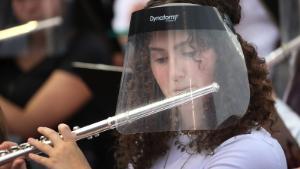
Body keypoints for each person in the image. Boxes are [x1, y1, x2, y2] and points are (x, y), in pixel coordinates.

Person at [2, 0, 287, 169]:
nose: (176, 73)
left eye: (189, 53)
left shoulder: (250, 151)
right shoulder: (151, 146)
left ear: (225, 58)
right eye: (160, 58)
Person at [0, 0, 118, 168]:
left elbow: (28, 124)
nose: (30, 7)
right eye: (19, 0)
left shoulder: (87, 48)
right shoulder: (9, 46)